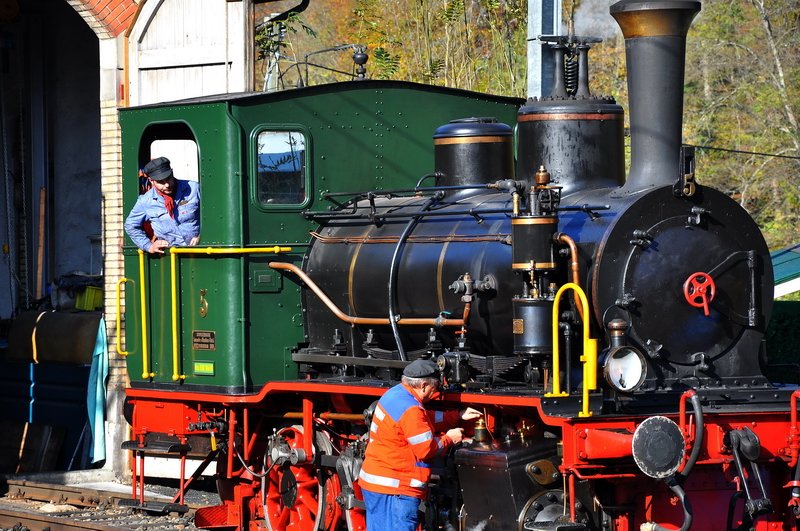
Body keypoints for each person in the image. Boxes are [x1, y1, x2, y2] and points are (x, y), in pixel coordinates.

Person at [358, 358, 482, 531]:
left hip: (376, 483)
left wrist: (456, 416)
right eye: (435, 387)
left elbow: (422, 421)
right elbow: (426, 449)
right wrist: (450, 438)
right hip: (396, 489)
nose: (436, 391)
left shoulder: (395, 394)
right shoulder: (411, 410)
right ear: (423, 385)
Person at [124, 157, 200, 254]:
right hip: (170, 257)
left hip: (201, 251)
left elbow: (212, 215)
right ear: (151, 181)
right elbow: (130, 225)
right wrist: (148, 246)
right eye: (161, 182)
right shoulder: (145, 201)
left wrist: (202, 236)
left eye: (168, 179)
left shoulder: (194, 188)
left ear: (172, 173)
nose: (167, 185)